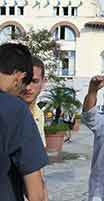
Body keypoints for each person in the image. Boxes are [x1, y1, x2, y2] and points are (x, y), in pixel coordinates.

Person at [0, 43, 48, 201]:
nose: (25, 89)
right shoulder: (15, 109)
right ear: (19, 77)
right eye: (24, 84)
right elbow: (35, 193)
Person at [20, 56, 48, 201]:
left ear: (44, 82)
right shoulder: (8, 113)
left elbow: (38, 169)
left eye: (34, 81)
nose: (28, 87)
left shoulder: (38, 113)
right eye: (25, 81)